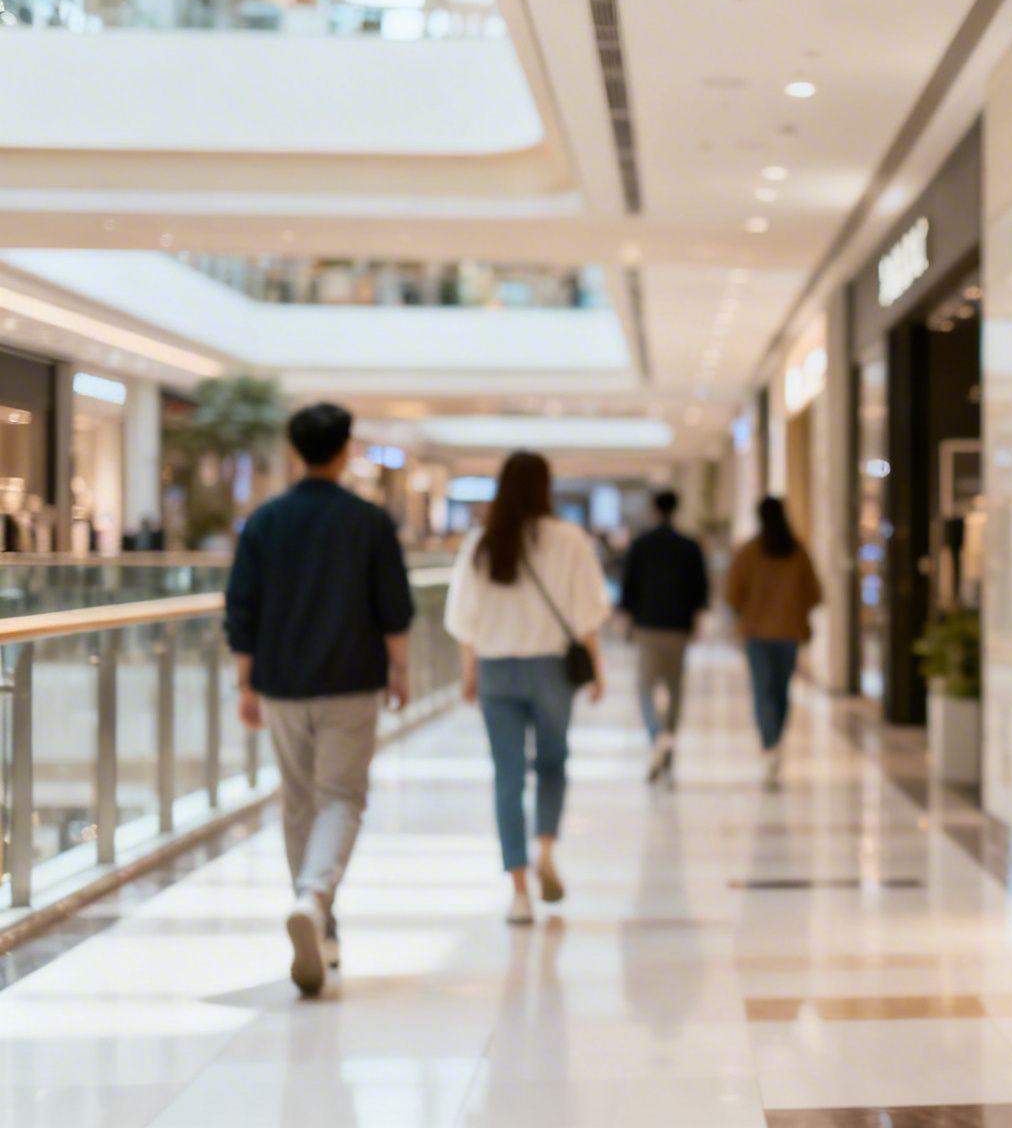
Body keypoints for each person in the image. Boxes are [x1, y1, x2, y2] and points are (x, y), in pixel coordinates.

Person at [225, 402, 414, 998]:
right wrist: (401, 669)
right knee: (341, 799)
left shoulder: (265, 521)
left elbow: (242, 607)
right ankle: (315, 900)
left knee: (300, 801)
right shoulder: (369, 521)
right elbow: (394, 605)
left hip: (281, 683)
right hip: (351, 680)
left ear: (294, 449)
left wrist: (245, 681)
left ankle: (318, 917)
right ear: (343, 451)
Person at [445, 452, 611, 924]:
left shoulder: (482, 542)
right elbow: (587, 614)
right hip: (552, 670)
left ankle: (518, 890)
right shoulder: (569, 540)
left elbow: (465, 620)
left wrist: (469, 671)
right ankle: (546, 849)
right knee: (553, 764)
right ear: (545, 487)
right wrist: (597, 669)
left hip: (497, 669)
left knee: (508, 776)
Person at [725, 497, 822, 785]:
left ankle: (769, 745)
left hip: (756, 634)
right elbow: (815, 592)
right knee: (781, 691)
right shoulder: (797, 550)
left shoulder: (748, 552)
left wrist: (747, 612)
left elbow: (731, 594)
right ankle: (775, 740)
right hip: (789, 633)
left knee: (762, 690)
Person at [618, 489, 710, 784]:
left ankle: (656, 735)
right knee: (675, 687)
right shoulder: (689, 546)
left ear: (654, 510)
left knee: (645, 687)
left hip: (648, 626)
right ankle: (667, 737)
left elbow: (628, 587)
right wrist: (695, 622)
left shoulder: (641, 545)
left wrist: (627, 620)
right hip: (679, 626)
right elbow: (700, 589)